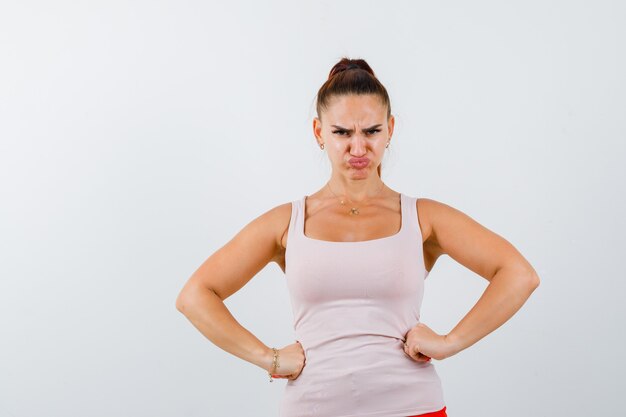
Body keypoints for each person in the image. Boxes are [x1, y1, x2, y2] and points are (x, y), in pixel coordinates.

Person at [175, 57, 541, 417]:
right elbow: (195, 295)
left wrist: (450, 342)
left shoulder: (423, 217)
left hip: (413, 407)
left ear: (390, 129)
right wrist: (268, 358)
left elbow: (518, 273)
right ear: (319, 132)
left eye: (371, 131)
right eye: (342, 133)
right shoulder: (287, 222)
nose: (358, 148)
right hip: (313, 407)